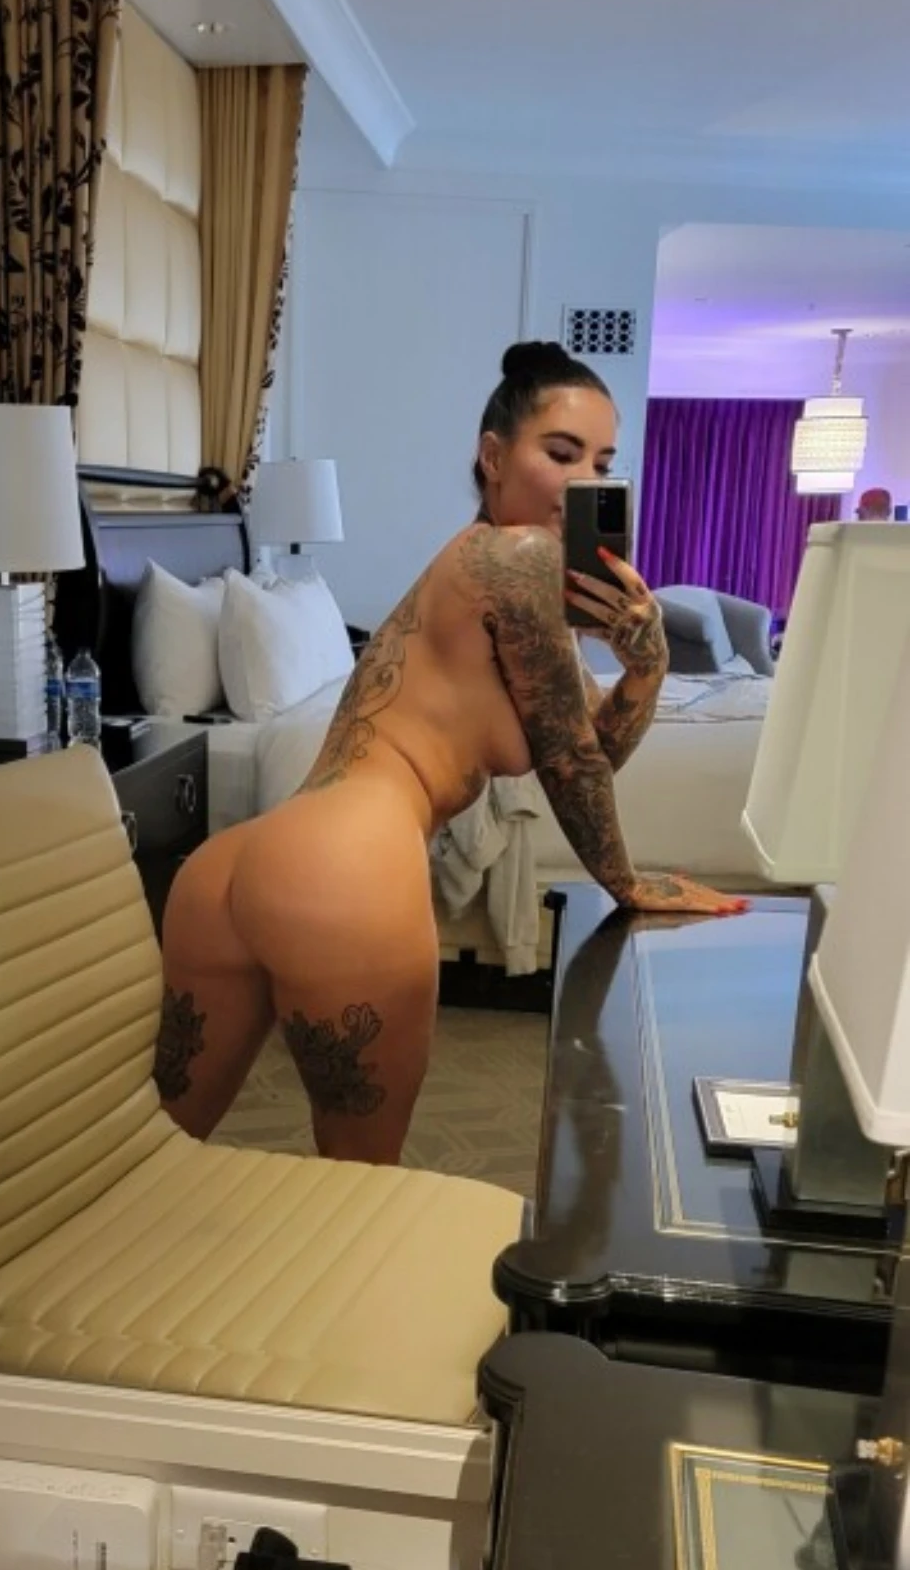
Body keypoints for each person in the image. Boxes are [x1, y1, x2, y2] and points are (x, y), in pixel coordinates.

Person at [152, 341, 746, 1165]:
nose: (583, 482)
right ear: (493, 456)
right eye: (560, 453)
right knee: (362, 1184)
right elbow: (573, 766)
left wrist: (645, 667)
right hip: (346, 867)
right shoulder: (518, 557)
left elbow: (586, 748)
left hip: (244, 861)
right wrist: (627, 881)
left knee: (154, 1157)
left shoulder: (485, 569)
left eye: (603, 463)